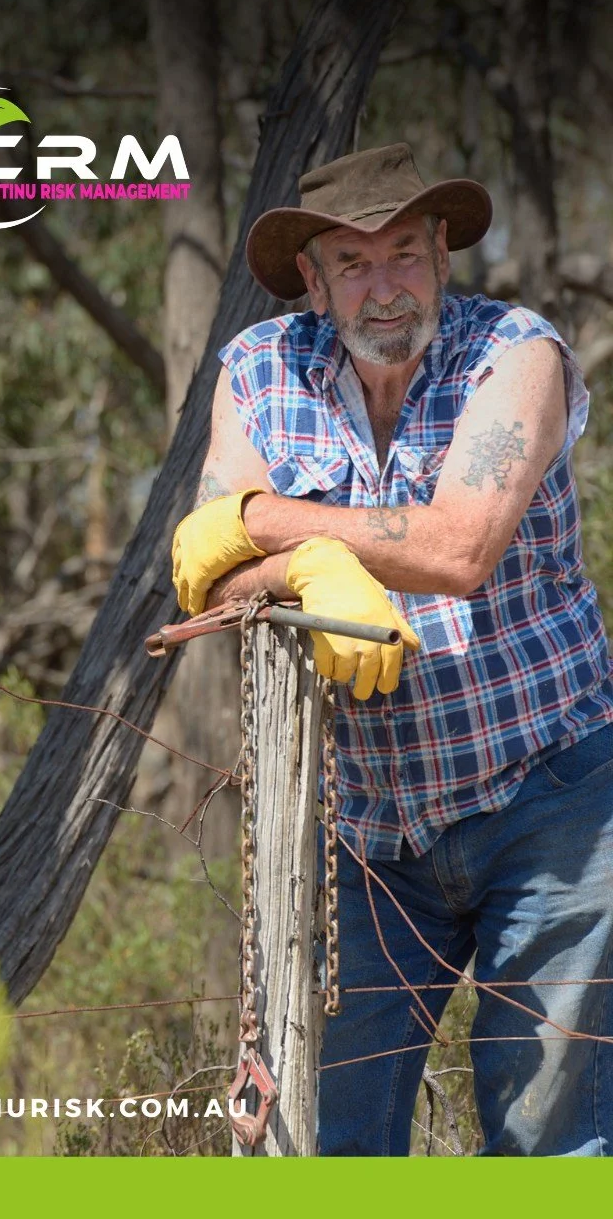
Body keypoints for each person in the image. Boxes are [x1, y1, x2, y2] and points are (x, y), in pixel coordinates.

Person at [170, 142, 613, 1155]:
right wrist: (305, 569)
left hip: (550, 800)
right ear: (313, 280)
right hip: (367, 831)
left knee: (555, 1143)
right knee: (331, 1141)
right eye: (354, 263)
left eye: (404, 252)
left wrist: (275, 527)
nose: (384, 288)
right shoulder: (259, 370)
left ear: (444, 252)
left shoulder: (516, 354)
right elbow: (205, 562)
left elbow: (458, 549)